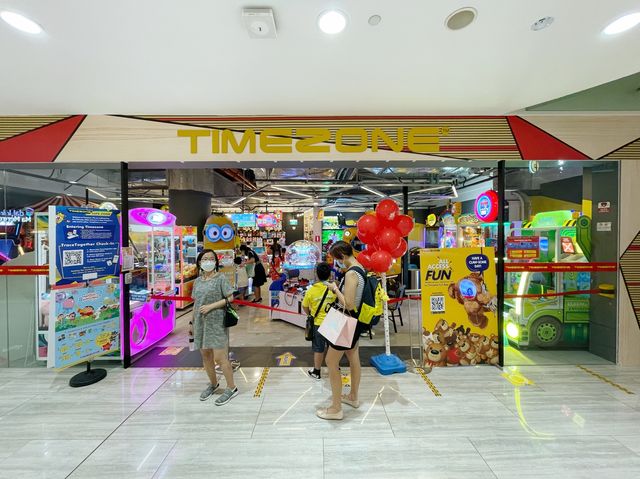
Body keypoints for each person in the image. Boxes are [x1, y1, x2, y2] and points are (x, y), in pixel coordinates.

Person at [316, 241, 367, 421]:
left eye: (337, 259)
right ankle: (353, 396)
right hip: (353, 320)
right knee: (353, 357)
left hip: (345, 320)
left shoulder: (352, 273)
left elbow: (349, 303)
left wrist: (336, 288)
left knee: (331, 361)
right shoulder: (360, 268)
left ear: (343, 256)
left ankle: (336, 408)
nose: (336, 263)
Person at [192, 249, 238, 406]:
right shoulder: (197, 281)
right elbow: (195, 303)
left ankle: (231, 387)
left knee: (220, 357)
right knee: (206, 355)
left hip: (217, 321)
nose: (208, 261)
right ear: (199, 262)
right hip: (200, 322)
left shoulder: (221, 278)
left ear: (216, 262)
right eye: (205, 259)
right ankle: (213, 384)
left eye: (211, 259)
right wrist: (192, 323)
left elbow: (230, 297)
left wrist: (211, 306)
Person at [302, 262, 335, 381]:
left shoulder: (311, 291)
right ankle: (334, 367)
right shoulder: (333, 288)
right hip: (332, 322)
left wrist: (311, 314)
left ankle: (316, 371)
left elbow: (305, 306)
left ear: (316, 274)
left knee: (318, 348)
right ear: (330, 274)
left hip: (318, 323)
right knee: (332, 347)